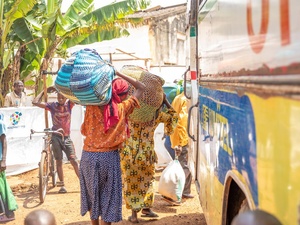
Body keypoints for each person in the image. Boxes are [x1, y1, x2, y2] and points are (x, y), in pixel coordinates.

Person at [79, 70, 145, 225]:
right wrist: (119, 73)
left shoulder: (91, 105)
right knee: (109, 197)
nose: (128, 96)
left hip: (88, 156)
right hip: (109, 157)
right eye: (127, 94)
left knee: (92, 193)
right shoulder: (123, 108)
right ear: (122, 95)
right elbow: (141, 87)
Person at [120, 93, 178, 224]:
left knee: (131, 183)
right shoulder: (156, 116)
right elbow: (174, 116)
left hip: (129, 153)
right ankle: (146, 208)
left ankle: (134, 214)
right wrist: (166, 101)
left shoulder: (129, 113)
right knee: (147, 180)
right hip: (147, 154)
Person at [32, 86, 79, 193]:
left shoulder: (70, 104)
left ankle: (83, 183)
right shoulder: (52, 106)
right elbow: (35, 102)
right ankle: (62, 185)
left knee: (74, 160)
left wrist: (67, 90)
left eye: (63, 96)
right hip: (56, 137)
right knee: (58, 161)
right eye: (58, 96)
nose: (60, 98)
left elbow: (77, 96)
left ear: (66, 97)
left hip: (66, 137)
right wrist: (44, 91)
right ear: (56, 97)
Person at [168, 91, 194, 201]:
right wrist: (181, 143)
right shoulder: (185, 101)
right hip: (182, 139)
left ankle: (185, 191)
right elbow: (182, 123)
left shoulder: (178, 97)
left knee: (183, 164)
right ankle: (175, 193)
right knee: (185, 166)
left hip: (176, 137)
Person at [0, 113, 18, 222]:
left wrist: (3, 160)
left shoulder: (0, 123)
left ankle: (8, 214)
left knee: (2, 188)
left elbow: (4, 141)